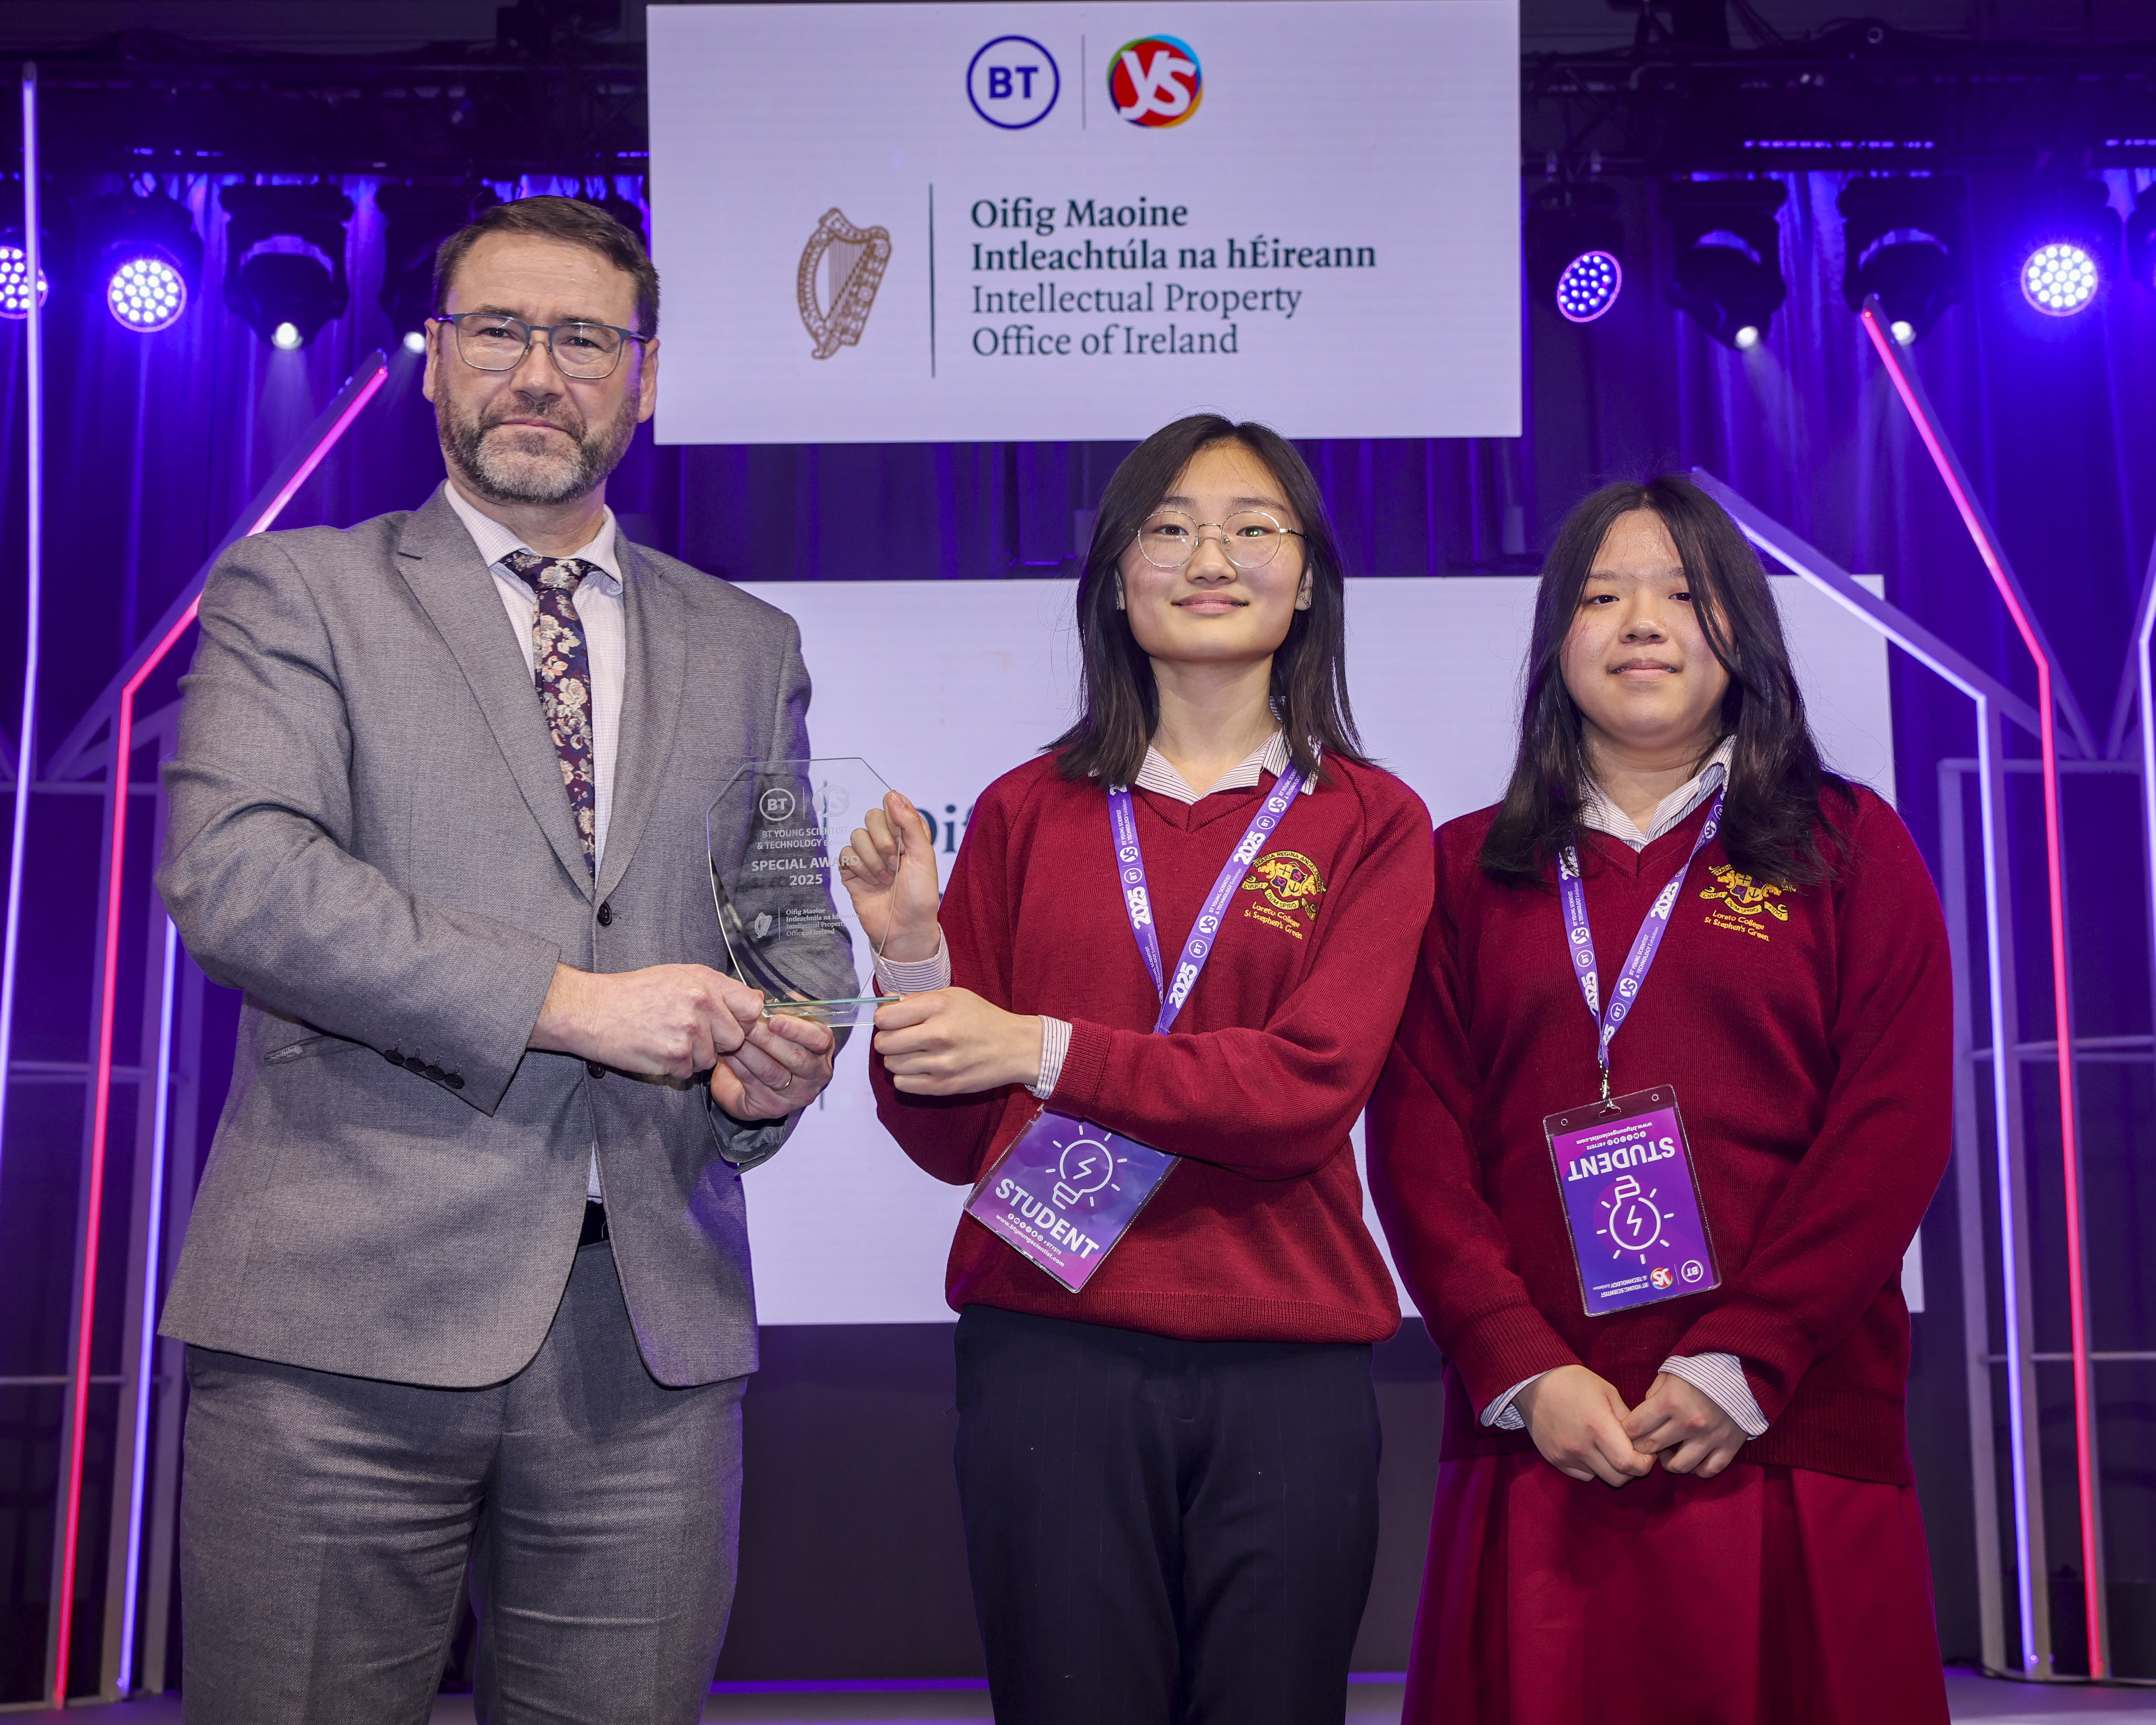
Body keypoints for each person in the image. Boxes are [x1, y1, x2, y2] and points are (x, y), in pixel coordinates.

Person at [156, 196, 849, 1724]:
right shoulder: (299, 593)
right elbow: (240, 876)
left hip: (649, 1348)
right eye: (500, 332)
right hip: (337, 1329)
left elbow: (789, 930)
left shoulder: (748, 642)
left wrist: (779, 1056)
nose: (538, 373)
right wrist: (569, 1005)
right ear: (434, 361)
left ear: (644, 379)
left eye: (584, 339)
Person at [835, 414, 1434, 1725]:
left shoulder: (1373, 821)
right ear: (1115, 576)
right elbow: (950, 1140)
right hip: (1051, 1350)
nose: (1209, 555)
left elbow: (1303, 1091)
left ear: (1311, 578)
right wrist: (915, 958)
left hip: (1291, 1359)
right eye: (1169, 526)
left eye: (1251, 527)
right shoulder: (1022, 810)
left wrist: (1040, 1046)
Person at [1366, 475, 1953, 1725]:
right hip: (1549, 1429)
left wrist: (1750, 1353)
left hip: (1791, 1422)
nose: (1642, 622)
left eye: (1684, 594)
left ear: (1743, 630)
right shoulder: (1466, 865)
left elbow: (1891, 1129)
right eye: (1602, 594)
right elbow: (1417, 1139)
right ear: (1554, 641)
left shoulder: (1850, 844)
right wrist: (1518, 1364)